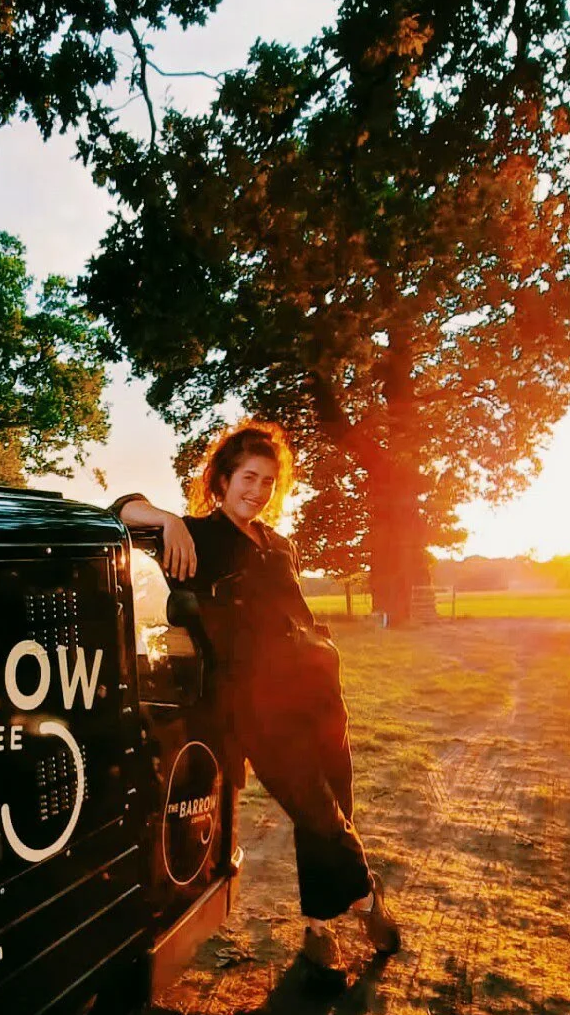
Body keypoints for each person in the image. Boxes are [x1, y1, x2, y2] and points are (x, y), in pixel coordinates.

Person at [113, 421, 400, 986]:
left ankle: (319, 928)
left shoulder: (279, 545)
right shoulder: (198, 538)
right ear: (221, 480)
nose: (259, 490)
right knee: (315, 806)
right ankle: (367, 898)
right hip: (258, 705)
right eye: (248, 477)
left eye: (269, 481)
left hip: (318, 690)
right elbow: (120, 509)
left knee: (331, 805)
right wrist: (167, 518)